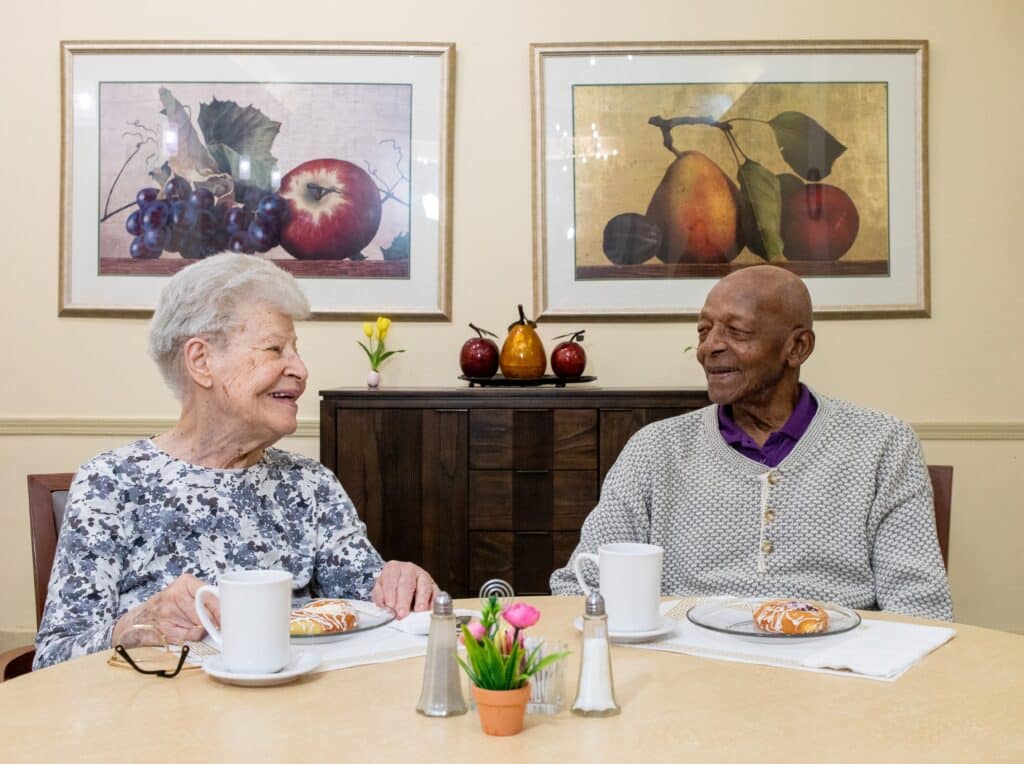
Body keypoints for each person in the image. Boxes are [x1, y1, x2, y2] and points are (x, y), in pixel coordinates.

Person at [34, 254, 437, 669]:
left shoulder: (310, 486)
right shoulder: (111, 484)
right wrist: (132, 629)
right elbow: (52, 660)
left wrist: (399, 583)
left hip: (301, 720)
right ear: (201, 361)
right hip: (159, 723)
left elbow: (377, 609)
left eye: (296, 351)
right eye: (274, 349)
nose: (300, 369)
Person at [550, 265, 953, 621]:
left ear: (798, 347)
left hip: (834, 675)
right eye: (704, 331)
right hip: (684, 673)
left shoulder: (882, 444)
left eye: (737, 331)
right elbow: (581, 583)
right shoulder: (655, 449)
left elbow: (921, 607)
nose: (710, 347)